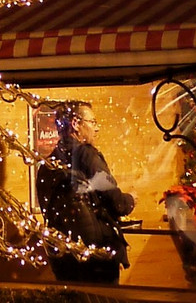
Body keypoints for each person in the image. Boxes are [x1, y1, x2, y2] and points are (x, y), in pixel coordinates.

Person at [38, 101, 135, 284]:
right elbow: (117, 202)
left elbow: (46, 208)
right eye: (92, 122)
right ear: (75, 123)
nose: (96, 128)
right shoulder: (87, 155)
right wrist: (130, 199)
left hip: (63, 256)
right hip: (97, 254)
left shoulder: (47, 165)